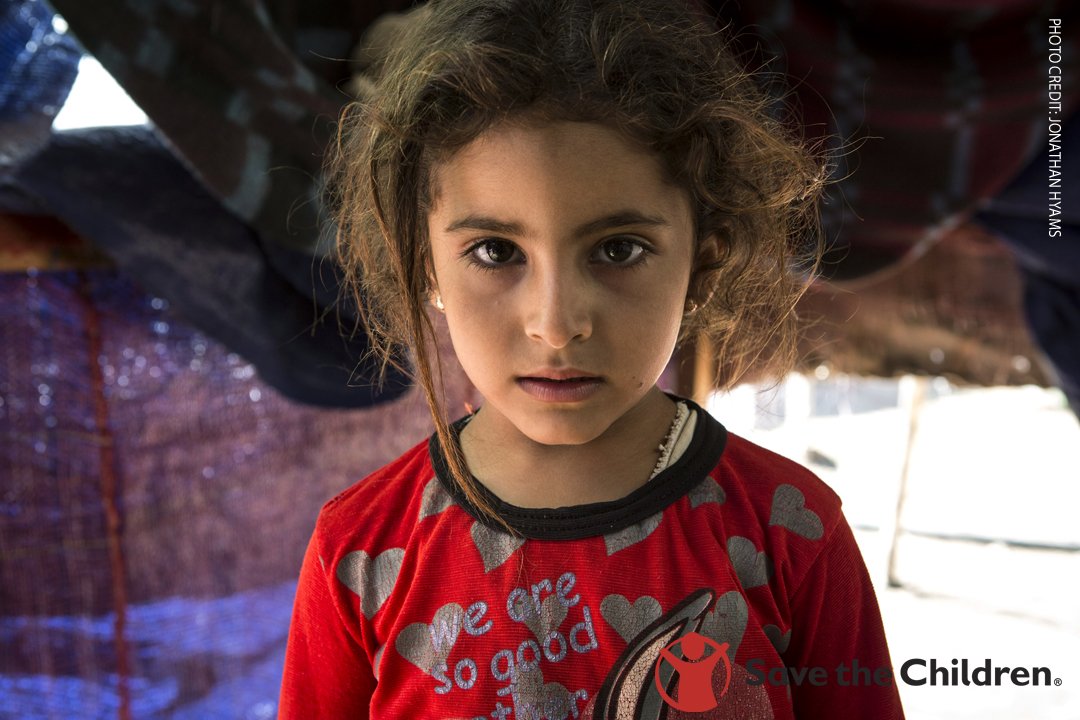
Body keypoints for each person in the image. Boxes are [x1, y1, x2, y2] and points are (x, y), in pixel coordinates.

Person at [279, 0, 905, 718]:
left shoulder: (790, 532)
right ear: (425, 266)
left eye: (618, 249)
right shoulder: (361, 555)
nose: (555, 325)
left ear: (703, 264)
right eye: (496, 252)